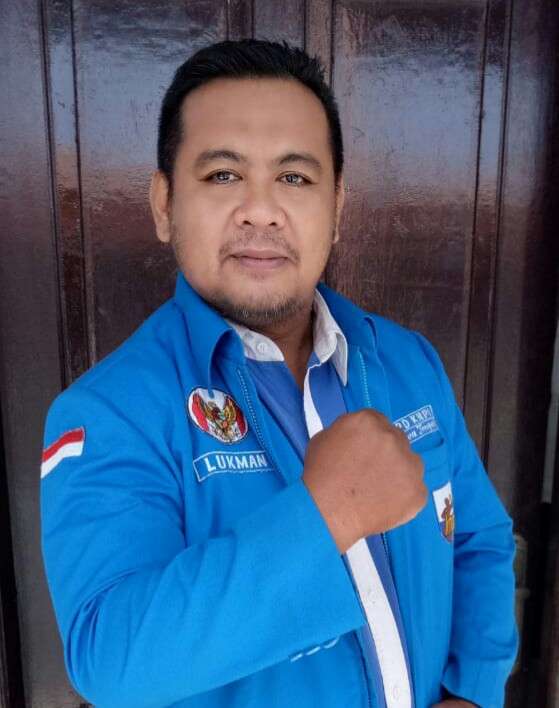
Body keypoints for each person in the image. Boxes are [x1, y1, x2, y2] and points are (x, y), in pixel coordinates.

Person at [40, 39, 518, 708]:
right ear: (163, 205)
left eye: (294, 178)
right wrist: (326, 515)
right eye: (222, 175)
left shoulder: (408, 363)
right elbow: (110, 659)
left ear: (337, 207)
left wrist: (475, 689)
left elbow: (478, 538)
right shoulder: (110, 412)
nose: (260, 210)